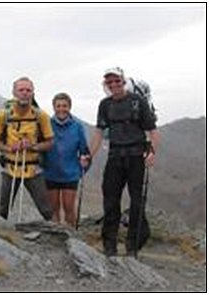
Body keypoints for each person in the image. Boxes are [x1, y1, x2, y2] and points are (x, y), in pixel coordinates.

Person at [82, 67, 160, 258]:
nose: (114, 85)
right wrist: (89, 155)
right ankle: (110, 246)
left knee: (136, 202)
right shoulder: (104, 105)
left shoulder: (138, 102)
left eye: (117, 81)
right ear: (106, 85)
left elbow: (152, 131)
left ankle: (132, 247)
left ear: (124, 81)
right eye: (110, 82)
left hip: (136, 157)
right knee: (110, 201)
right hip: (115, 157)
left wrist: (152, 152)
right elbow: (99, 133)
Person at [0, 77, 54, 221]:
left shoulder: (41, 116)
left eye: (28, 90)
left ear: (33, 93)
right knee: (3, 209)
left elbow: (50, 142)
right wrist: (9, 148)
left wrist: (32, 147)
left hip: (33, 168)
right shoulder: (3, 115)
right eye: (21, 90)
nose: (25, 93)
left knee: (46, 210)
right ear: (14, 92)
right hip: (10, 167)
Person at [42, 93, 90, 228]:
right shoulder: (47, 124)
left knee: (69, 208)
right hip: (50, 172)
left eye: (65, 106)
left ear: (70, 107)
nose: (61, 109)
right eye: (58, 106)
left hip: (70, 173)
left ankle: (72, 237)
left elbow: (84, 150)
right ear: (53, 107)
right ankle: (55, 238)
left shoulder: (77, 127)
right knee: (53, 209)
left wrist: (84, 161)